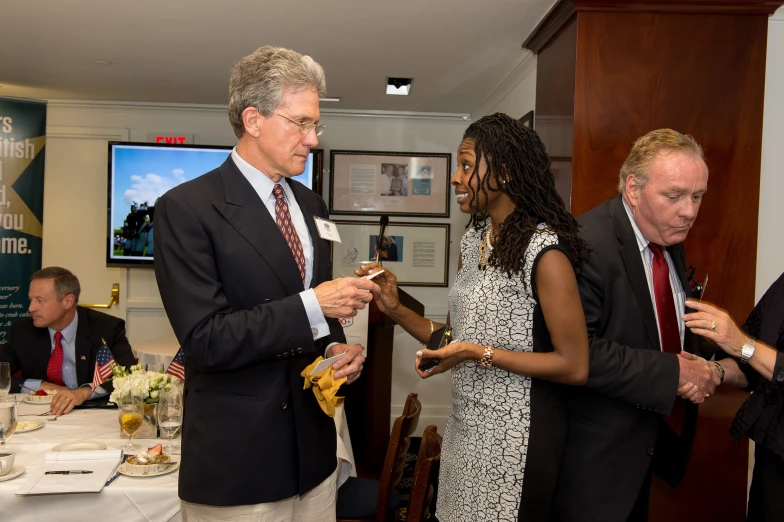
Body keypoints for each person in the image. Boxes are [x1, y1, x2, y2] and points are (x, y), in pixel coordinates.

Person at [153, 46, 379, 521]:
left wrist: (335, 351)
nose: (312, 138)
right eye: (300, 123)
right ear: (253, 119)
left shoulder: (312, 205)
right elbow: (205, 341)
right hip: (240, 463)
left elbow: (317, 319)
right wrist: (316, 306)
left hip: (315, 456)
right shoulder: (188, 208)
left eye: (316, 125)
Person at [356, 113, 590, 521]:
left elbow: (575, 366)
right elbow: (451, 339)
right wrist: (394, 308)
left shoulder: (545, 253)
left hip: (518, 440)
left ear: (503, 171)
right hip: (466, 427)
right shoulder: (473, 241)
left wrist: (477, 353)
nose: (455, 177)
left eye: (466, 165)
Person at [551, 129, 720, 522]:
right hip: (593, 463)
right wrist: (675, 371)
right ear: (632, 188)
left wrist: (710, 363)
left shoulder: (667, 235)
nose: (689, 211)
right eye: (675, 195)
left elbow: (661, 323)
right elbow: (577, 352)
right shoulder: (583, 244)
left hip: (645, 446)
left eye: (697, 196)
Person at [683, 272, 784, 522]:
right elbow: (755, 364)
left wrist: (742, 344)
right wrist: (713, 371)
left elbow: (747, 347)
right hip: (773, 455)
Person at [0, 267, 135, 415]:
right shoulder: (22, 331)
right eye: (31, 299)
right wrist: (41, 385)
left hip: (91, 413)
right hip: (41, 413)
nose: (31, 308)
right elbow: (2, 375)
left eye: (40, 300)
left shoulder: (107, 328)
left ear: (67, 301)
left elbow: (129, 376)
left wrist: (84, 392)